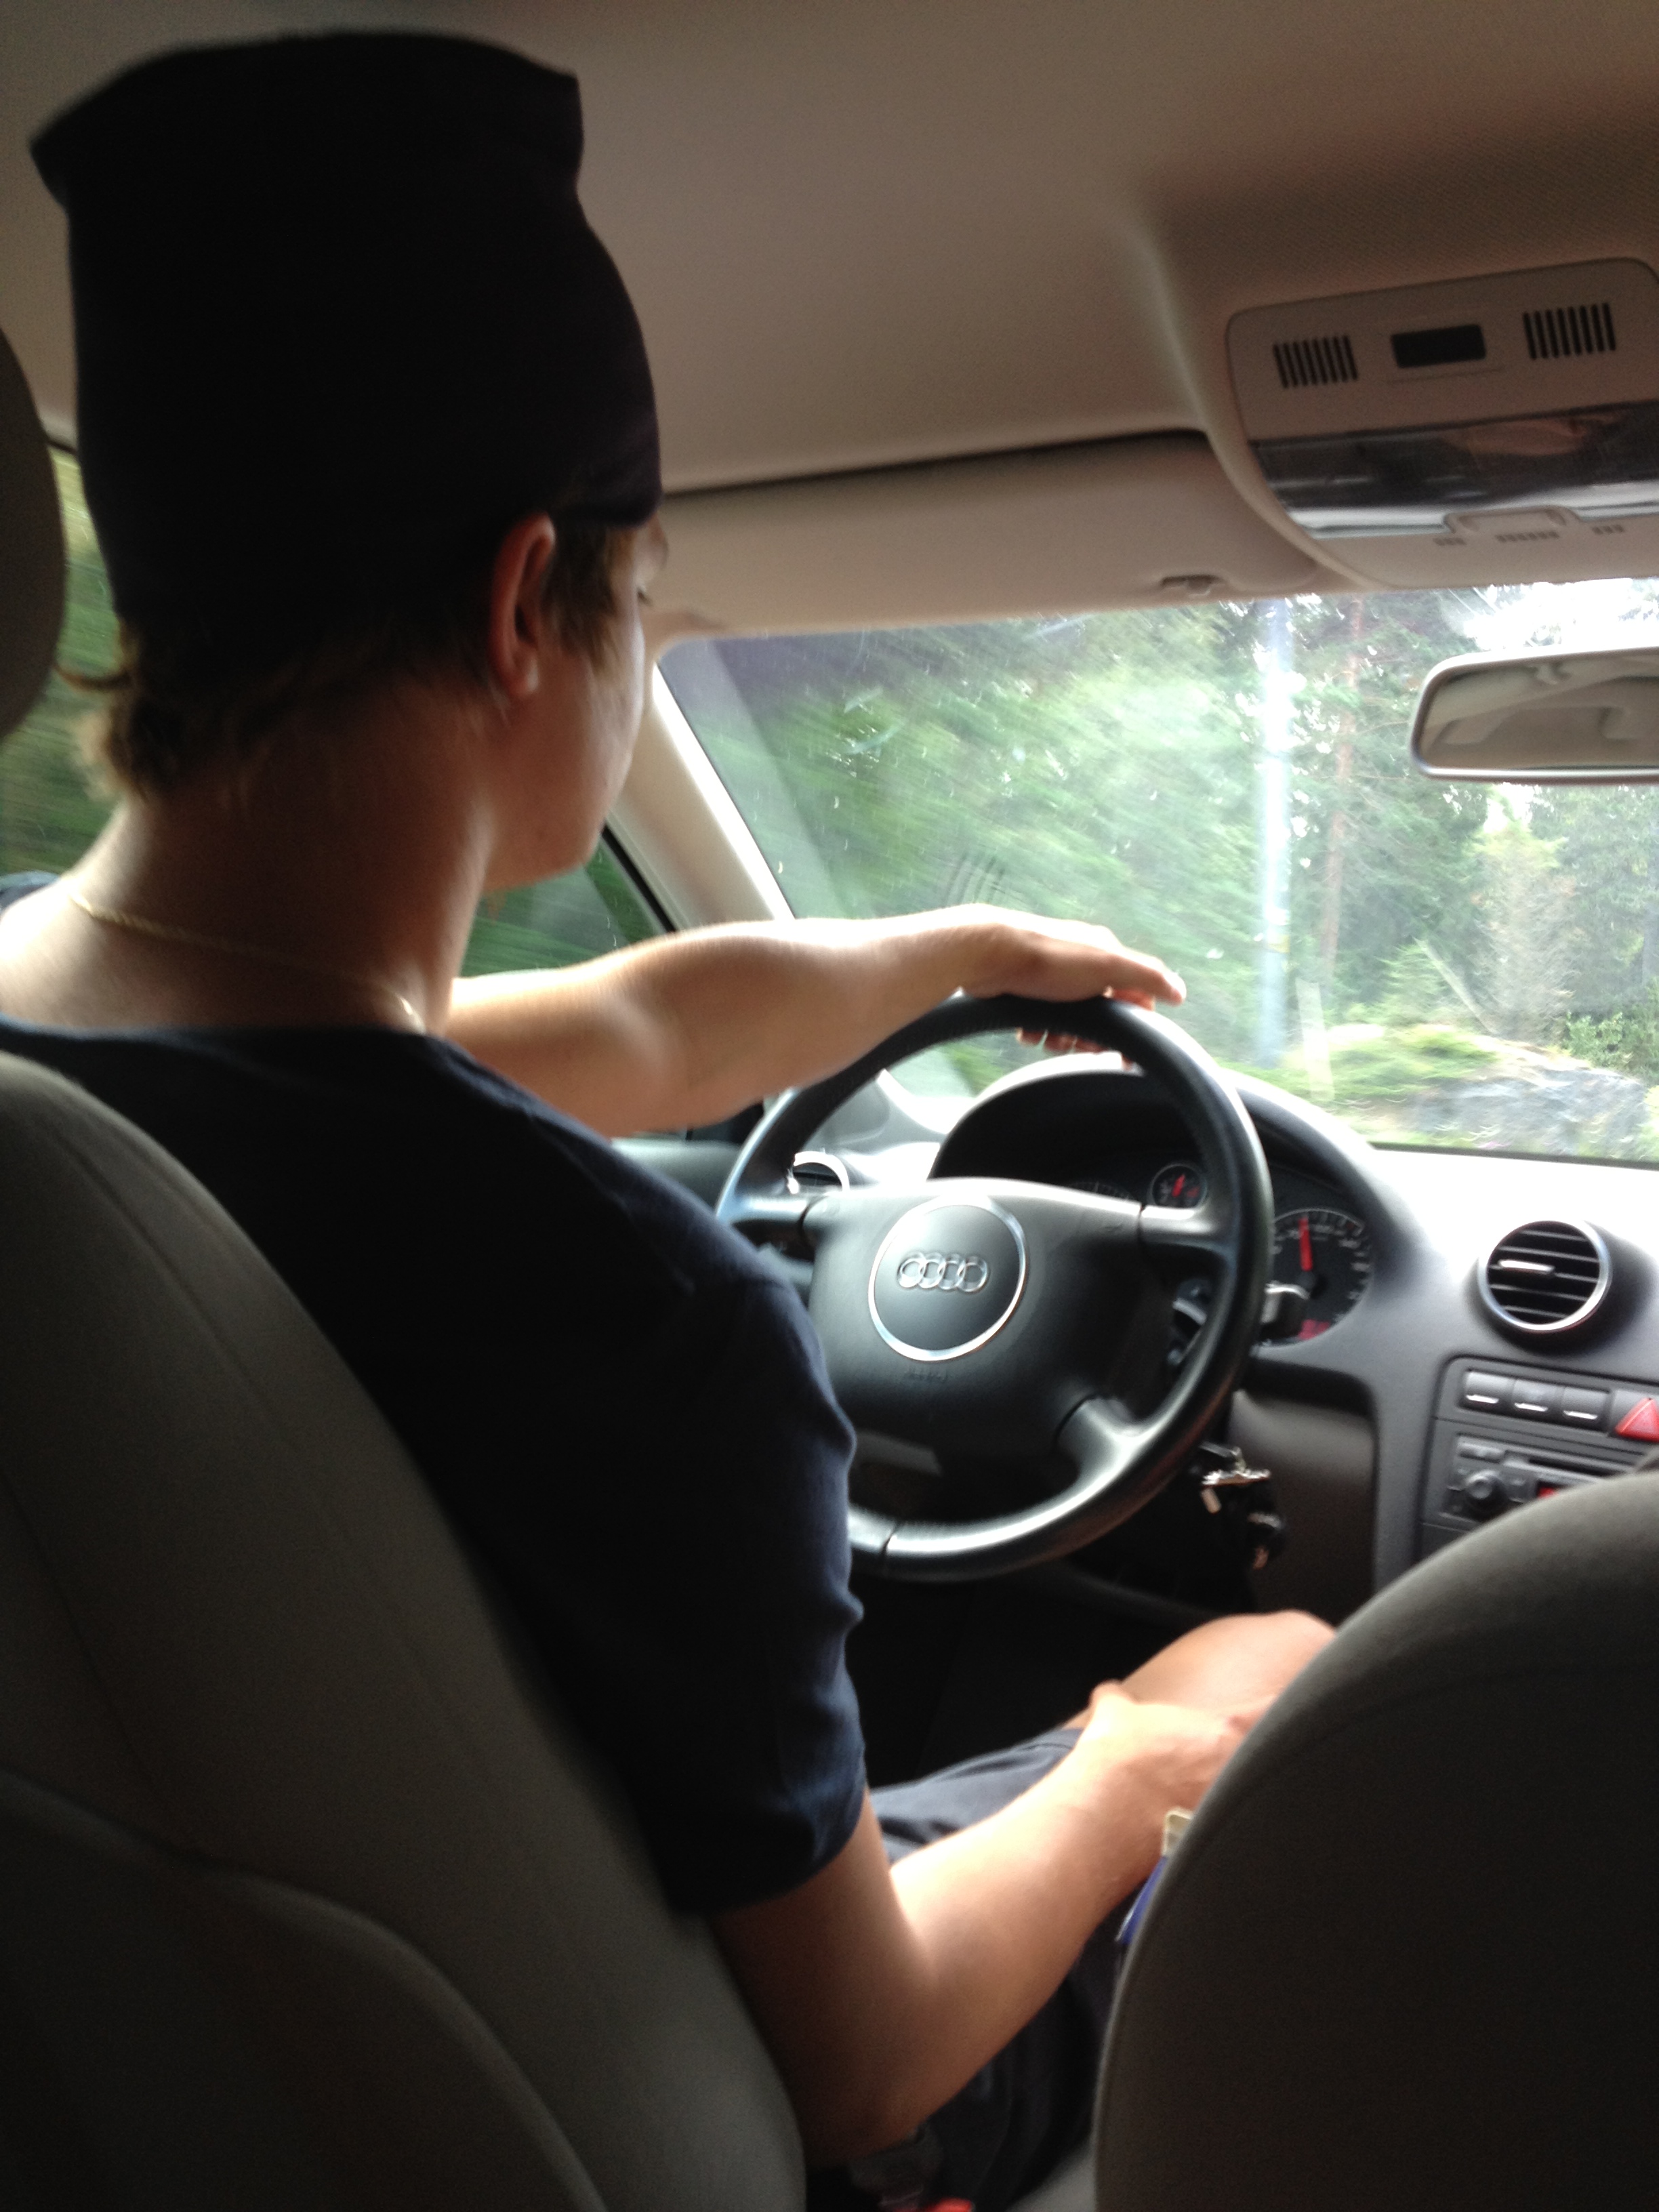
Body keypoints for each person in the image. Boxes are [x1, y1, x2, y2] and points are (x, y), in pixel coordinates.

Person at [7, 34, 1331, 2209]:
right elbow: (871, 2066)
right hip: (693, 2115)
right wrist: (1134, 1759)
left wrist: (948, 953)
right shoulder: (617, 1310)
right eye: (644, 596)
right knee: (1270, 1684)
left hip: (176, 2072)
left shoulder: (79, 1087)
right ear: (525, 605)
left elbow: (629, 1026)